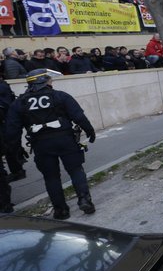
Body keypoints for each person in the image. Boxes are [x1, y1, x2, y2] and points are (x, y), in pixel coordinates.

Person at [5, 69, 97, 220]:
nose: (51, 81)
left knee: (51, 177)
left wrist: (15, 150)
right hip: (65, 140)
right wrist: (89, 131)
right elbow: (78, 116)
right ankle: (85, 200)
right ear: (44, 81)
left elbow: (12, 130)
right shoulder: (60, 96)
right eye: (49, 79)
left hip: (41, 145)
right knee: (75, 170)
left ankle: (61, 211)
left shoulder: (19, 102)